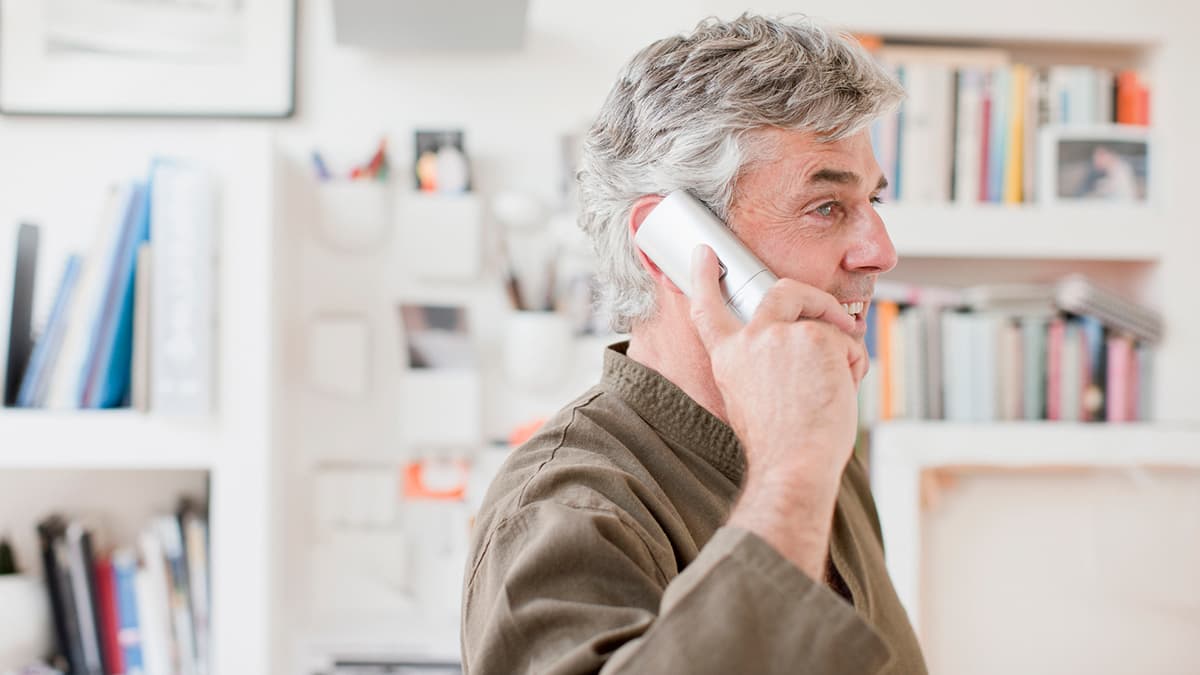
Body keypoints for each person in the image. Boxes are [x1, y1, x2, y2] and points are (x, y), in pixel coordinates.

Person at [462, 14, 928, 674]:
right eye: (827, 206)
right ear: (675, 244)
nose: (881, 251)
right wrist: (792, 476)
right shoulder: (565, 505)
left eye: (873, 201)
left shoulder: (815, 445)